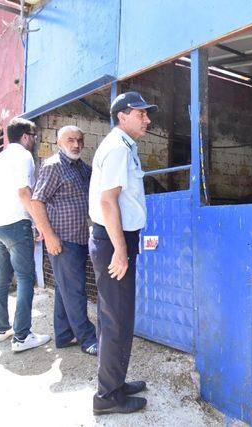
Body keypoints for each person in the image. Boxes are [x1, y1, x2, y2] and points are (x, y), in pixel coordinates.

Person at [89, 91, 156, 415]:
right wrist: (120, 251)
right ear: (122, 116)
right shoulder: (117, 148)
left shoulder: (124, 147)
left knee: (114, 317)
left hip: (117, 238)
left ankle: (115, 382)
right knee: (117, 319)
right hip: (114, 239)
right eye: (140, 113)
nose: (147, 119)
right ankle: (107, 397)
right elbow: (107, 201)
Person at [31, 125, 97, 356]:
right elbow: (37, 202)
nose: (76, 144)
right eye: (70, 140)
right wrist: (49, 236)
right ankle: (87, 338)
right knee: (76, 291)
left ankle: (63, 334)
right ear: (59, 143)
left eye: (79, 140)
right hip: (62, 239)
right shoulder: (53, 167)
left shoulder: (82, 168)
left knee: (64, 289)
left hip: (79, 238)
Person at [0, 117, 51, 352]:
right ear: (25, 136)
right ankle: (22, 336)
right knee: (26, 279)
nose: (35, 141)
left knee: (2, 278)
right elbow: (24, 193)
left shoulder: (0, 158)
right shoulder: (24, 156)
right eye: (34, 137)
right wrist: (40, 225)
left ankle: (1, 328)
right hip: (17, 223)